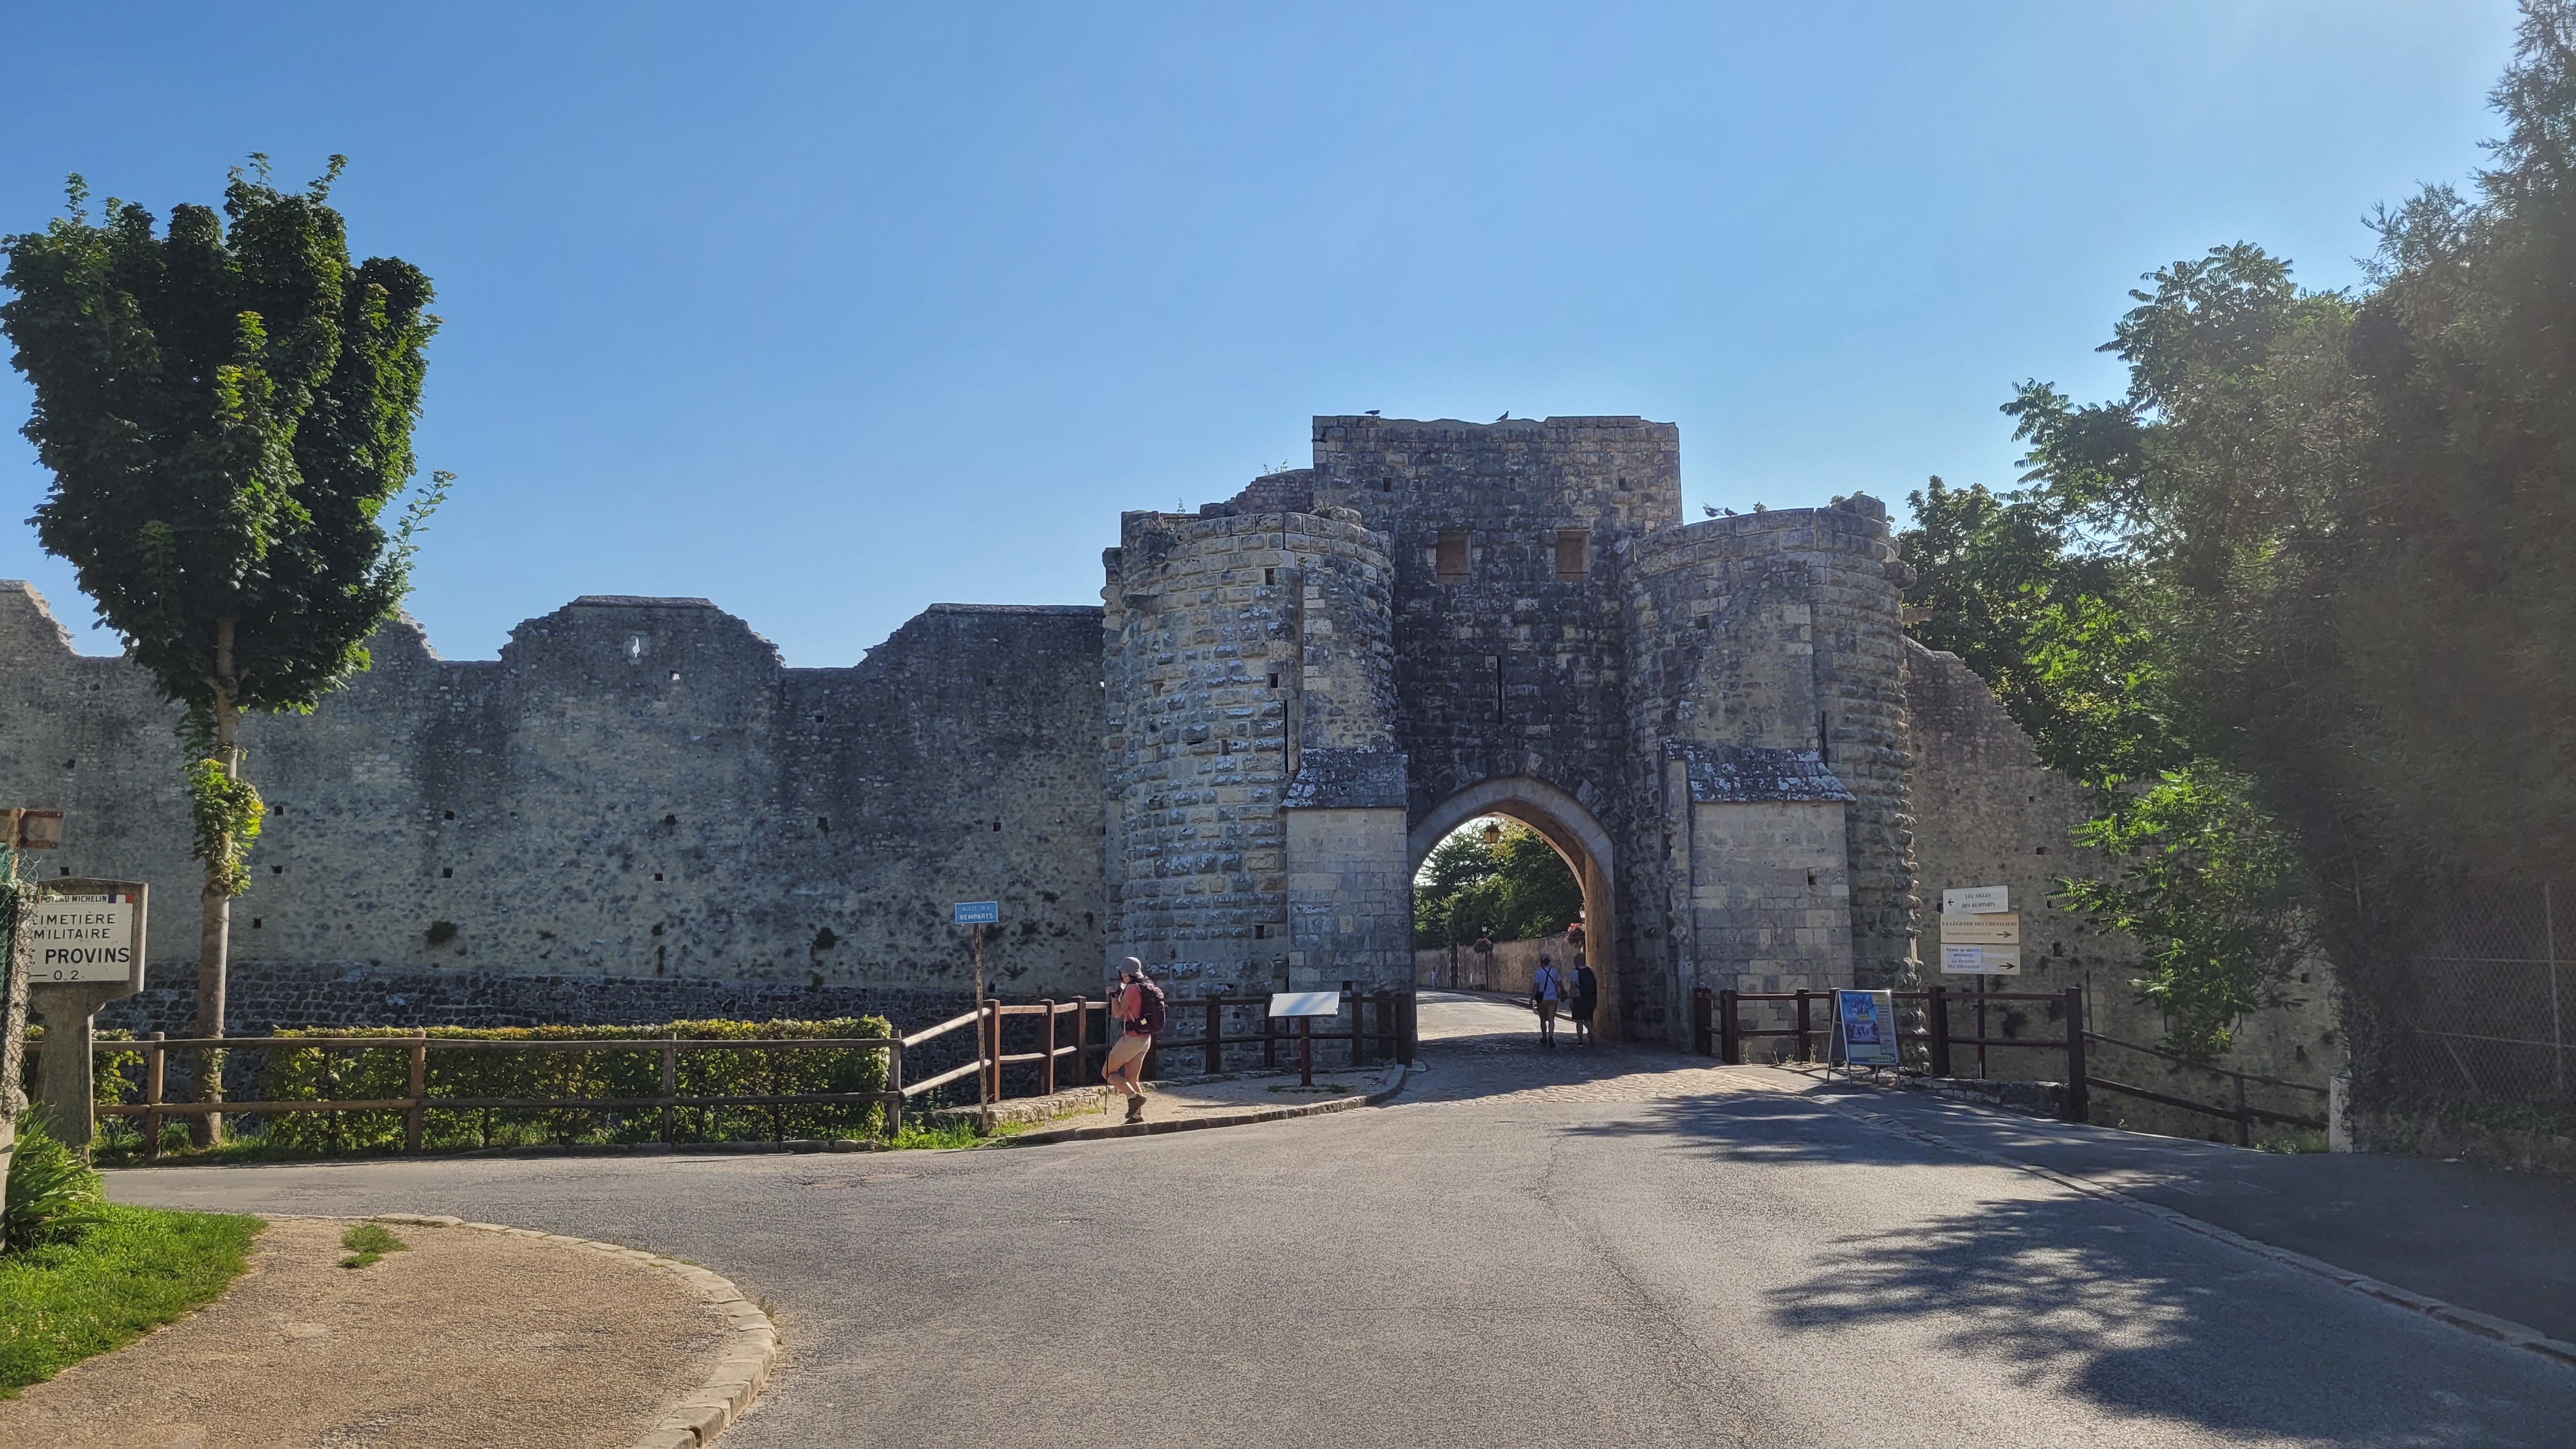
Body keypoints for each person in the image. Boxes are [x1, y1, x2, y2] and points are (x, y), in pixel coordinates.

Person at [1101, 958, 1165, 1123]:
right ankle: (1137, 1116)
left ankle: (1133, 1097)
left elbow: (1118, 1013)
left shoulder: (1130, 989)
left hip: (1131, 1039)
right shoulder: (1146, 986)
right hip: (1145, 1038)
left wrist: (1113, 995)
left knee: (1107, 1073)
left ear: (1124, 972)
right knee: (1132, 1079)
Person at [1532, 953, 1565, 1047]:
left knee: (1543, 1019)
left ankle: (1544, 1037)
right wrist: (1562, 993)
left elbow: (1536, 987)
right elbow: (1560, 984)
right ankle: (1551, 1037)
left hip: (1542, 999)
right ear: (1549, 962)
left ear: (1541, 962)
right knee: (1551, 1019)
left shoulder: (1538, 973)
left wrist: (1532, 998)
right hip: (1553, 998)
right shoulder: (1554, 972)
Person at [1570, 959, 1599, 1046]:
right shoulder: (1590, 971)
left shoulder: (1575, 972)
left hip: (1579, 998)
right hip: (1590, 998)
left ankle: (1580, 1040)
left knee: (1579, 1020)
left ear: (1577, 962)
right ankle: (1591, 1033)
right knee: (1588, 1018)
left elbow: (1573, 987)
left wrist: (1571, 999)